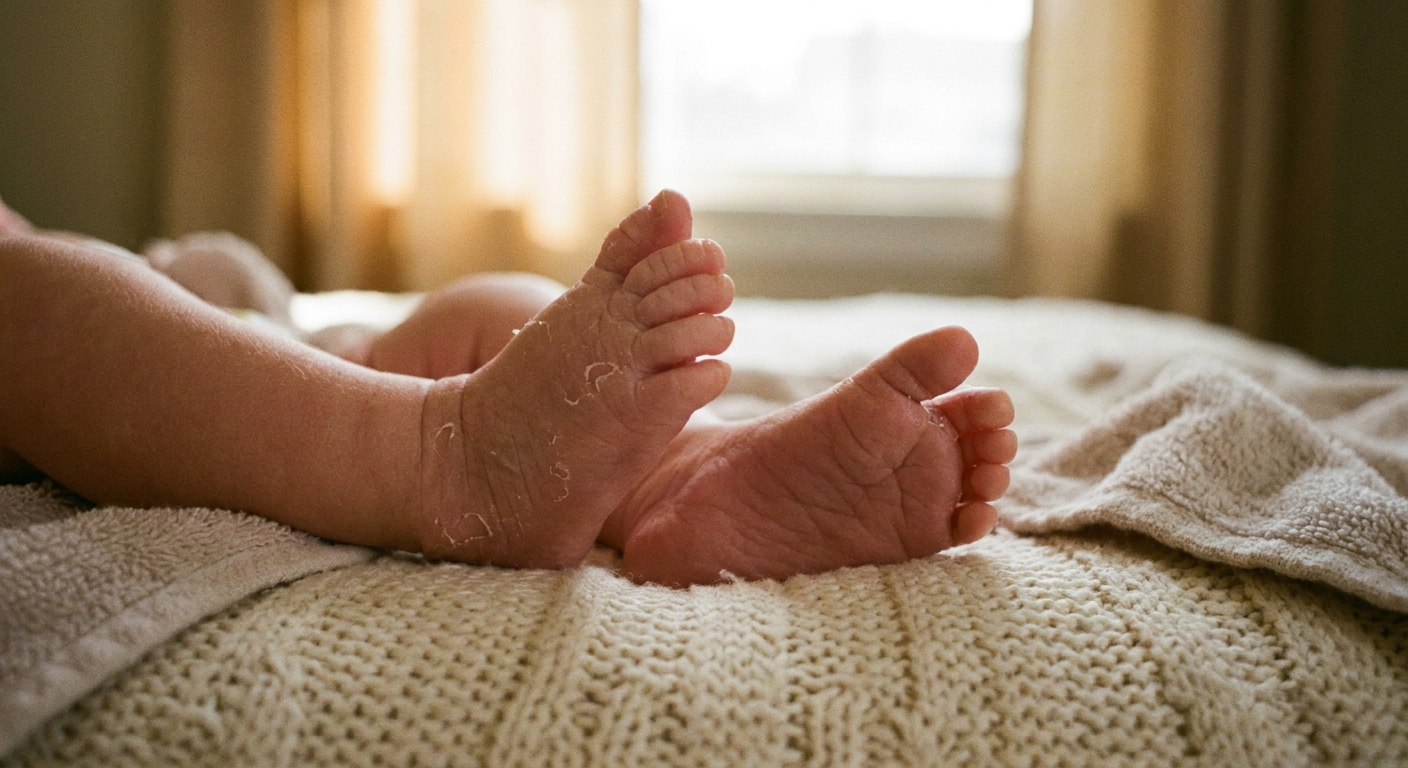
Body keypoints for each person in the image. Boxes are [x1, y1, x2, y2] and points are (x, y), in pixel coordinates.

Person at [0, 190, 1017, 587]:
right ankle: (448, 454)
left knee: (498, 313)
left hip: (266, 341)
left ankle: (682, 469)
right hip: (112, 365)